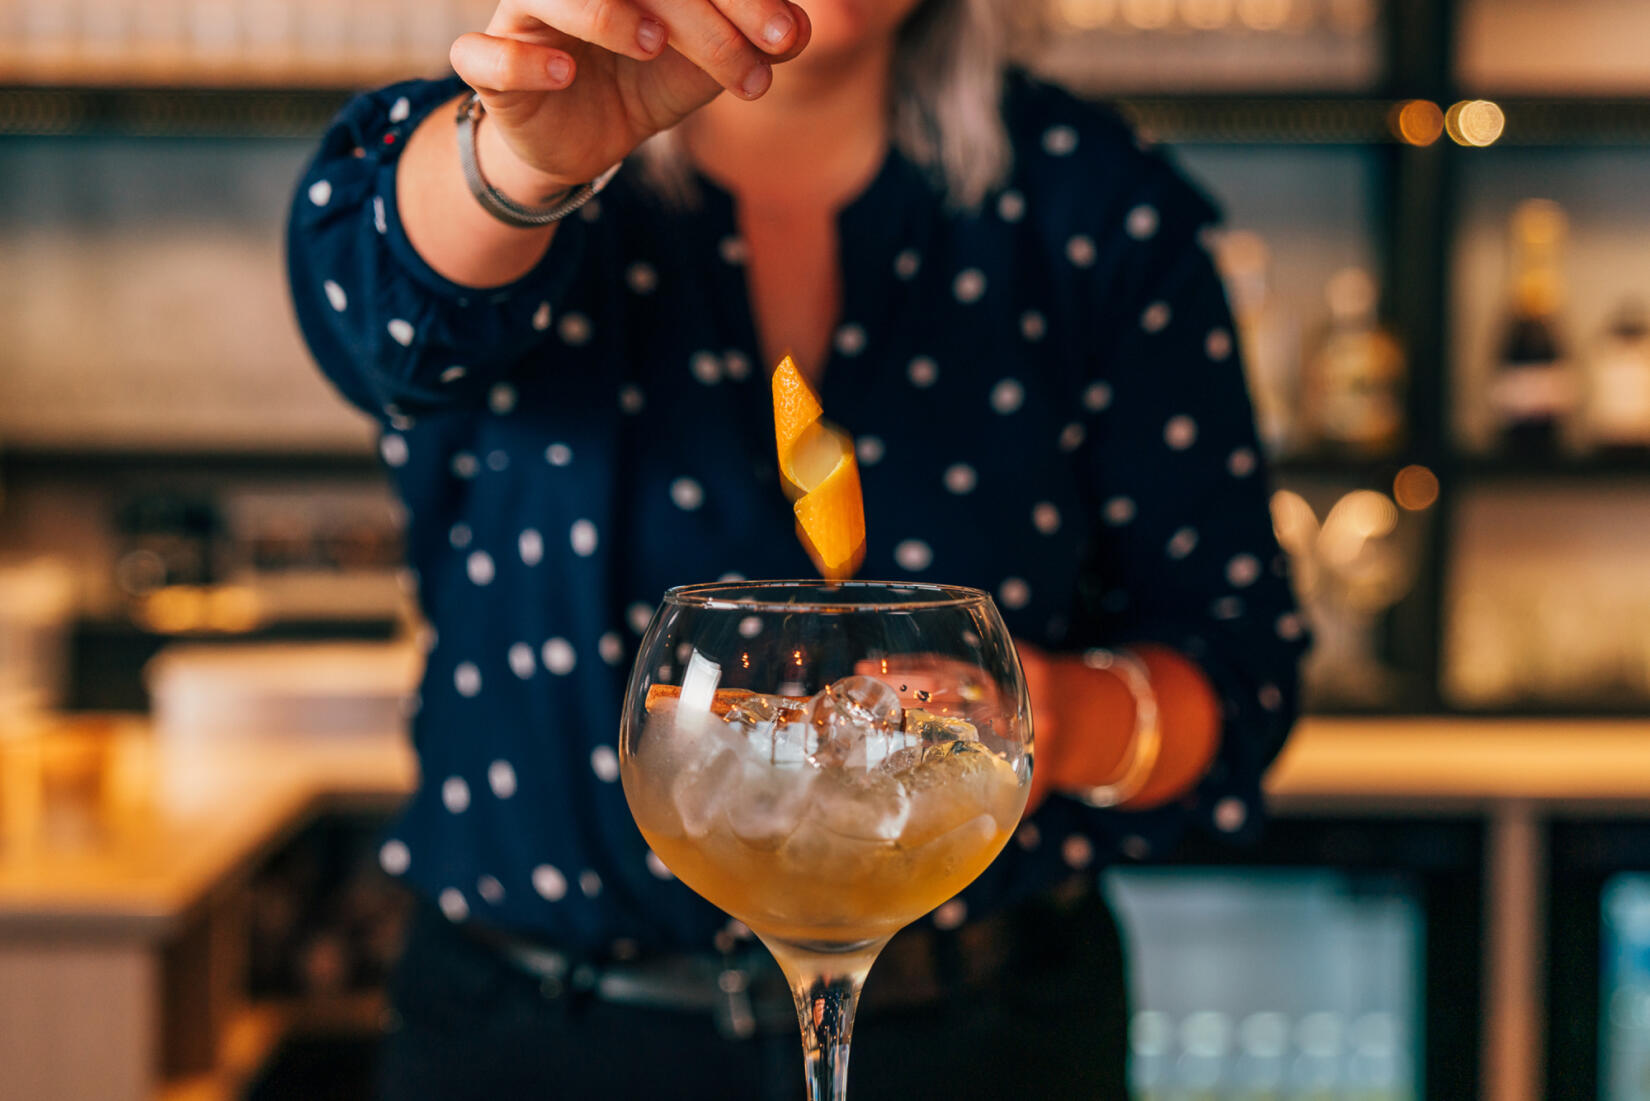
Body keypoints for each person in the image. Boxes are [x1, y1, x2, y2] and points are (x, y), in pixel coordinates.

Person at [286, 0, 1308, 1096]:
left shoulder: (1095, 201)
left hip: (981, 1037)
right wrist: (518, 164)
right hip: (540, 1040)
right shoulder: (509, 132)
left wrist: (1057, 717)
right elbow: (383, 318)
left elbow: (1235, 667)